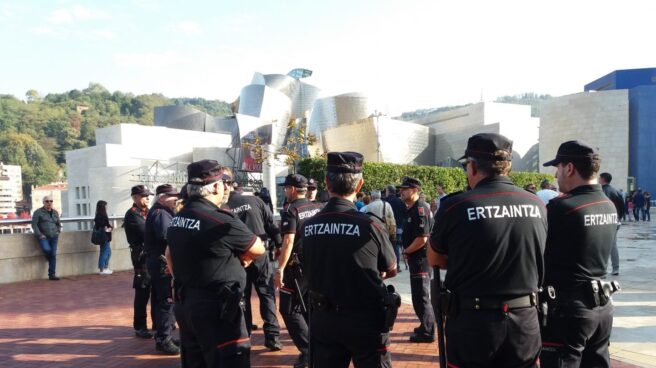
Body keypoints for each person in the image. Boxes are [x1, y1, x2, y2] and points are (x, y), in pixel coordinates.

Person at [428, 132, 547, 367]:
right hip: (525, 319)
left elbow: (435, 258)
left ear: (471, 166)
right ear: (508, 166)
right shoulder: (537, 204)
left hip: (473, 322)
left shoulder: (455, 206)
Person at [303, 151, 398, 367]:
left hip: (323, 318)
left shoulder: (308, 227)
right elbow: (391, 268)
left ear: (326, 182)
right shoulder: (371, 225)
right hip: (365, 319)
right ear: (359, 184)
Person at [168, 159, 266, 368]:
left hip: (187, 304)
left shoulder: (178, 218)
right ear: (214, 187)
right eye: (224, 183)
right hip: (217, 310)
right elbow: (258, 247)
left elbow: (169, 253)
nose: (226, 188)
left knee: (196, 361)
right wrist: (244, 258)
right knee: (230, 360)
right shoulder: (220, 219)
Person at [540, 141, 619, 367]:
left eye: (558, 167)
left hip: (569, 309)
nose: (556, 174)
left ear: (570, 168)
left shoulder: (562, 208)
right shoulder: (607, 204)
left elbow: (537, 254)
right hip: (602, 305)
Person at [227, 175, 284, 351]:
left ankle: (245, 335)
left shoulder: (224, 206)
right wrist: (279, 245)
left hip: (238, 256)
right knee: (266, 294)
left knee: (242, 296)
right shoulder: (256, 200)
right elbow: (271, 224)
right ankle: (273, 337)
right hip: (260, 252)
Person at [274, 173, 324, 368]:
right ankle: (315, 347)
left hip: (296, 268)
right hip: (313, 265)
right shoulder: (316, 207)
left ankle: (308, 350)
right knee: (305, 308)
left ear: (292, 189)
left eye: (286, 188)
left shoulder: (291, 210)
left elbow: (288, 241)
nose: (285, 192)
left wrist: (280, 268)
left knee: (288, 309)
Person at [398, 176, 436, 343]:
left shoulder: (420, 208)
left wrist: (406, 251)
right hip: (415, 259)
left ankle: (428, 332)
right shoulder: (411, 208)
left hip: (421, 260)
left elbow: (422, 238)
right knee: (417, 296)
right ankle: (424, 325)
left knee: (421, 297)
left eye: (404, 189)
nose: (401, 192)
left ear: (414, 190)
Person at [144, 183, 180, 355]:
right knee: (166, 301)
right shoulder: (160, 214)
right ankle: (164, 339)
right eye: (173, 197)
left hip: (159, 262)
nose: (177, 200)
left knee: (163, 301)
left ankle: (164, 336)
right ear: (163, 198)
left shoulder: (162, 212)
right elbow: (168, 237)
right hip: (161, 264)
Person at [123, 185, 155, 339]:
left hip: (153, 256)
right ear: (135, 197)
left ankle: (158, 322)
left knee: (157, 291)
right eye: (144, 196)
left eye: (149, 195)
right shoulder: (132, 215)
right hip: (142, 257)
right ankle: (140, 326)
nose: (148, 198)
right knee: (142, 293)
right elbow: (147, 232)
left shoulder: (149, 212)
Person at [599, 172, 625, 276]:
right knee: (613, 245)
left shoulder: (602, 191)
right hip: (615, 221)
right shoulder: (616, 191)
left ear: (603, 179)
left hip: (605, 221)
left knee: (602, 245)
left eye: (599, 178)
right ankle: (616, 268)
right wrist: (618, 217)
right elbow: (623, 208)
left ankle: (602, 269)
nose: (598, 179)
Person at [31, 195, 62, 280]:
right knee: (47, 250)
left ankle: (52, 274)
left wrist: (58, 231)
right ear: (43, 202)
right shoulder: (38, 212)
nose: (49, 203)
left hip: (54, 236)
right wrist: (40, 234)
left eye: (51, 201)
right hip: (43, 237)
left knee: (53, 254)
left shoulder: (55, 212)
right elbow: (34, 225)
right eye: (47, 201)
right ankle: (49, 258)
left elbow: (58, 224)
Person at [383, 185, 406, 272]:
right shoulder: (400, 201)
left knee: (386, 245)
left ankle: (387, 265)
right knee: (396, 246)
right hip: (398, 227)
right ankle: (397, 266)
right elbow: (405, 214)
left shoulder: (384, 201)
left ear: (388, 191)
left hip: (386, 227)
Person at [93, 200, 113, 275]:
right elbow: (104, 225)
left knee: (107, 252)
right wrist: (110, 227)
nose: (107, 207)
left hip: (103, 236)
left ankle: (105, 267)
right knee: (105, 252)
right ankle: (102, 269)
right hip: (104, 236)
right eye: (106, 205)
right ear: (103, 207)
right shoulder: (102, 215)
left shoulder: (98, 214)